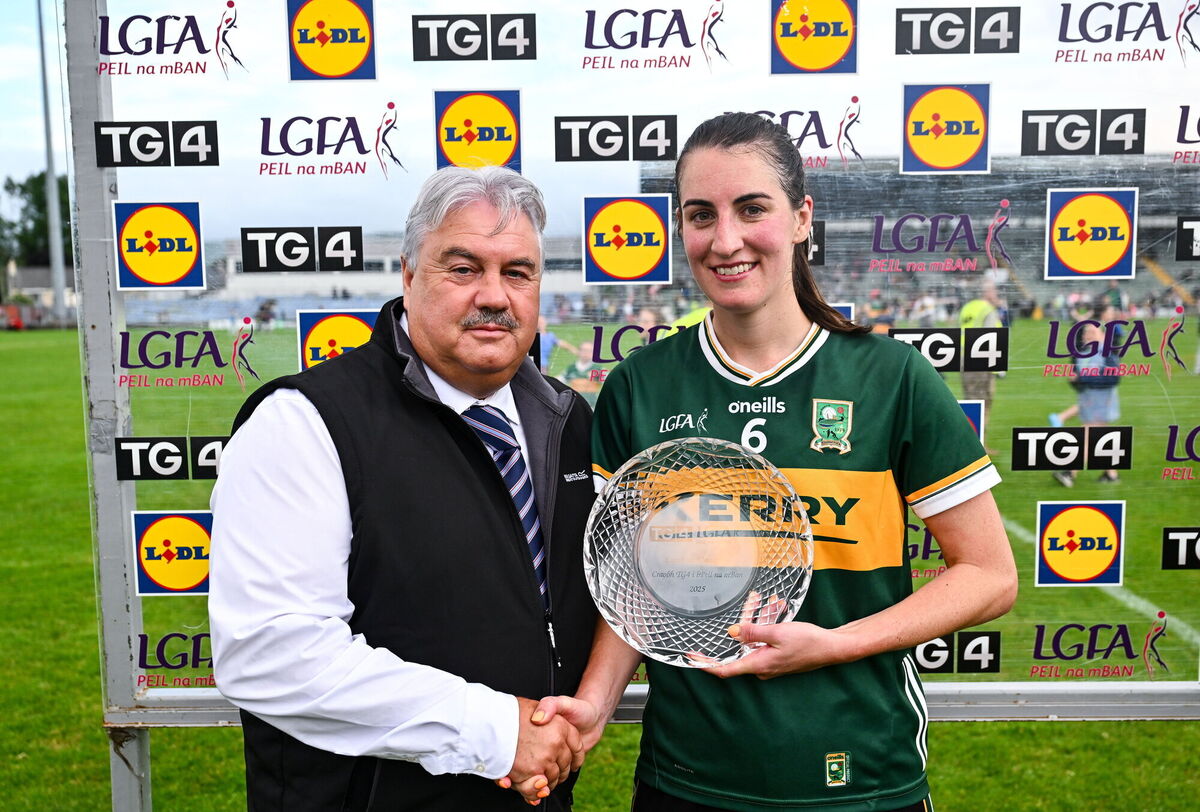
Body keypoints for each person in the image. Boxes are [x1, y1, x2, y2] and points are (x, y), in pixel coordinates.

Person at [512, 113, 1017, 811]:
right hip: (685, 780)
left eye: (752, 208)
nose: (726, 240)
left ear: (802, 217)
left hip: (863, 777)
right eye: (700, 215)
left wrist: (833, 644)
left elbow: (989, 576)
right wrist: (595, 703)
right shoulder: (640, 386)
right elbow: (631, 589)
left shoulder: (892, 377)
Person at [208, 166, 600, 811]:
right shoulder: (305, 422)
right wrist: (495, 731)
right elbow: (271, 651)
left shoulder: (565, 419)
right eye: (464, 268)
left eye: (518, 272)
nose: (495, 296)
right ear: (411, 276)